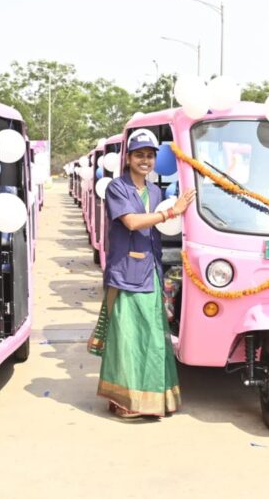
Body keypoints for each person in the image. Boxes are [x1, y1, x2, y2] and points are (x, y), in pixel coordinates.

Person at [88, 130, 195, 419]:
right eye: (139, 155)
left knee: (152, 337)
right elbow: (132, 222)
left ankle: (152, 399)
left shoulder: (158, 191)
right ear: (128, 158)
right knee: (127, 338)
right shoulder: (117, 188)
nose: (145, 160)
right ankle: (125, 401)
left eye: (150, 155)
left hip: (151, 271)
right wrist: (171, 212)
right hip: (126, 273)